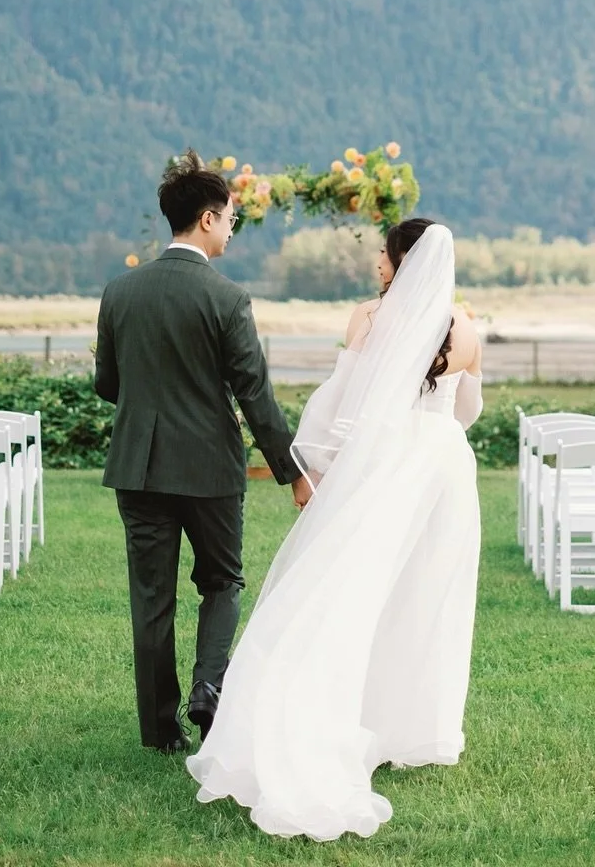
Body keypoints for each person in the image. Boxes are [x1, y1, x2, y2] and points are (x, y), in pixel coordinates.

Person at [188, 217, 483, 841]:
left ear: (403, 259)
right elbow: (467, 409)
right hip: (446, 465)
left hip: (390, 462)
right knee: (428, 592)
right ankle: (411, 727)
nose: (377, 260)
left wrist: (313, 467)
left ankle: (324, 712)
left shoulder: (369, 319)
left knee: (348, 583)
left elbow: (339, 404)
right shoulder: (466, 327)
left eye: (385, 251)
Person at [94, 150, 309, 755]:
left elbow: (107, 385)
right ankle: (209, 691)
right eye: (232, 217)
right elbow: (256, 396)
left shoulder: (120, 292)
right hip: (211, 469)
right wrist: (291, 471)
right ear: (209, 219)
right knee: (222, 582)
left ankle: (161, 731)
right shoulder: (228, 299)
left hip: (137, 467)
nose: (234, 228)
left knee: (151, 600)